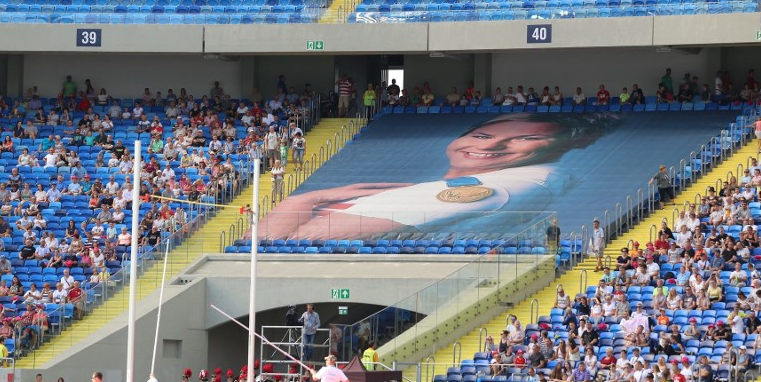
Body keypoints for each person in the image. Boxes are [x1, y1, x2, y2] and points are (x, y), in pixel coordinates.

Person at [261, 113, 614, 240]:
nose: (493, 146)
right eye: (482, 135)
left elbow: (294, 239)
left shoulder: (497, 187)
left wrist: (305, 199)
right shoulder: (431, 188)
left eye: (527, 138)